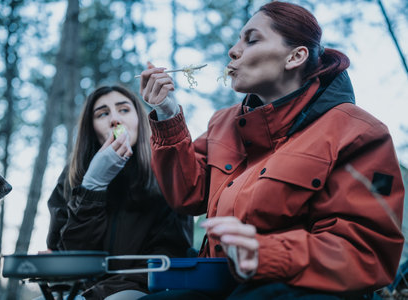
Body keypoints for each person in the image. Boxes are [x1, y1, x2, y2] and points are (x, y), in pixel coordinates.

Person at [138, 1, 404, 299]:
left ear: (295, 56)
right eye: (237, 39)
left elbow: (365, 252)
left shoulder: (358, 132)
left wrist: (266, 255)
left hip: (304, 290)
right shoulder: (223, 123)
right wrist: (167, 114)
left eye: (251, 39)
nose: (233, 50)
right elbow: (188, 193)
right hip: (218, 283)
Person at [46, 85, 194, 300]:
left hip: (143, 289)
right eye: (103, 114)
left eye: (124, 110)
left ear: (140, 120)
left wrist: (99, 294)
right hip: (78, 291)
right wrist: (92, 188)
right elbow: (67, 256)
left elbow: (169, 255)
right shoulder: (70, 178)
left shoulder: (166, 172)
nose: (114, 119)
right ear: (91, 128)